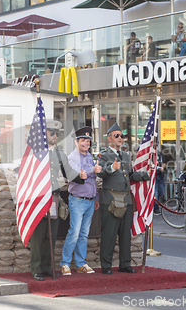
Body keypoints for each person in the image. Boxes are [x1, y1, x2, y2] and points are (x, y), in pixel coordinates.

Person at [30, 120, 86, 281]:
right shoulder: (35, 153)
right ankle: (36, 268)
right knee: (38, 235)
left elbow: (68, 172)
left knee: (51, 235)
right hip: (39, 198)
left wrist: (80, 177)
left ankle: (47, 267)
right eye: (51, 133)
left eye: (57, 134)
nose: (55, 136)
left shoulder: (59, 154)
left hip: (54, 198)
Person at [97, 123, 150, 274]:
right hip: (111, 200)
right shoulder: (104, 155)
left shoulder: (126, 155)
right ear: (109, 138)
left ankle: (125, 264)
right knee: (109, 234)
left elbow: (131, 175)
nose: (120, 138)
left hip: (126, 200)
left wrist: (146, 174)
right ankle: (106, 266)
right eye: (117, 136)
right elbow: (100, 173)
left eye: (122, 136)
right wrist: (112, 168)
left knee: (125, 234)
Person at [60, 126, 101, 276]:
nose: (86, 143)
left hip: (89, 200)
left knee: (84, 234)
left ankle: (80, 263)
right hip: (77, 200)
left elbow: (93, 180)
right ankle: (65, 263)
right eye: (83, 140)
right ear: (76, 142)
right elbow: (77, 175)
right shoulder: (72, 158)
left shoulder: (89, 156)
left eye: (88, 141)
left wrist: (96, 197)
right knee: (74, 232)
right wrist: (92, 170)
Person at [154, 146, 166, 215]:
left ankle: (154, 205)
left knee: (161, 191)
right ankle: (156, 208)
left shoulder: (160, 154)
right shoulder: (151, 154)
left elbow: (164, 163)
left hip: (160, 175)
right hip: (153, 175)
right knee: (156, 192)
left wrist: (162, 167)